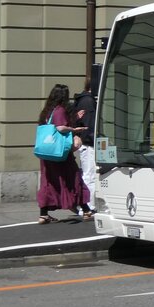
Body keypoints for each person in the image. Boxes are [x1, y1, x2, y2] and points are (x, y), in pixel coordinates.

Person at [36, 84, 90, 224]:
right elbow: (60, 127)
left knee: (49, 182)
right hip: (60, 154)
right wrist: (74, 128)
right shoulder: (60, 110)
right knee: (73, 178)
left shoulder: (47, 111)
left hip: (47, 153)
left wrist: (74, 118)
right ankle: (86, 210)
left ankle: (44, 214)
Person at [71, 79, 97, 217]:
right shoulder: (89, 100)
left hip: (85, 142)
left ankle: (86, 205)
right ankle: (88, 207)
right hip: (88, 143)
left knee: (88, 174)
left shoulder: (82, 99)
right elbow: (89, 125)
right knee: (89, 175)